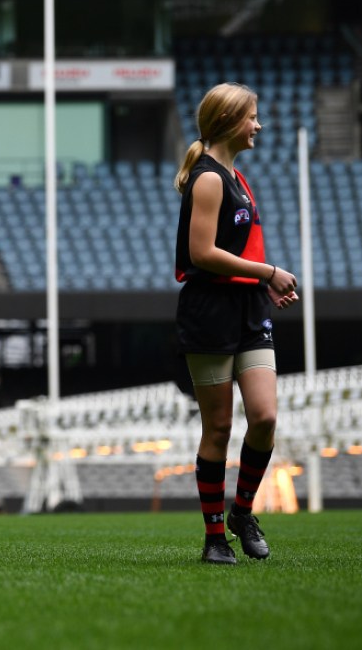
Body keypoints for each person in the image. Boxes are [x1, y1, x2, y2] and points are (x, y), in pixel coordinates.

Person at [173, 83, 296, 565]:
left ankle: (242, 512)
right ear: (228, 121)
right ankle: (213, 538)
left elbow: (238, 252)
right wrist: (267, 272)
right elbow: (202, 253)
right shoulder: (208, 179)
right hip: (209, 313)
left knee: (264, 417)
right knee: (219, 428)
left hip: (248, 311)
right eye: (251, 117)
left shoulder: (238, 178)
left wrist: (264, 284)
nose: (258, 126)